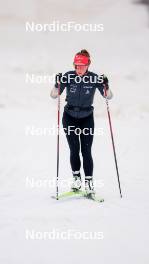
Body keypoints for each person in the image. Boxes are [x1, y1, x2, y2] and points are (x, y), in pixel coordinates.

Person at [50, 49, 113, 195]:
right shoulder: (68, 76)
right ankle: (77, 180)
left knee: (86, 151)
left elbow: (108, 97)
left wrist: (106, 86)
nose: (79, 69)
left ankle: (89, 184)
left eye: (82, 66)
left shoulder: (94, 78)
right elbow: (54, 95)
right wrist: (56, 84)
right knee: (74, 149)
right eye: (76, 66)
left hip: (86, 118)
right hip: (69, 117)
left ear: (88, 65)